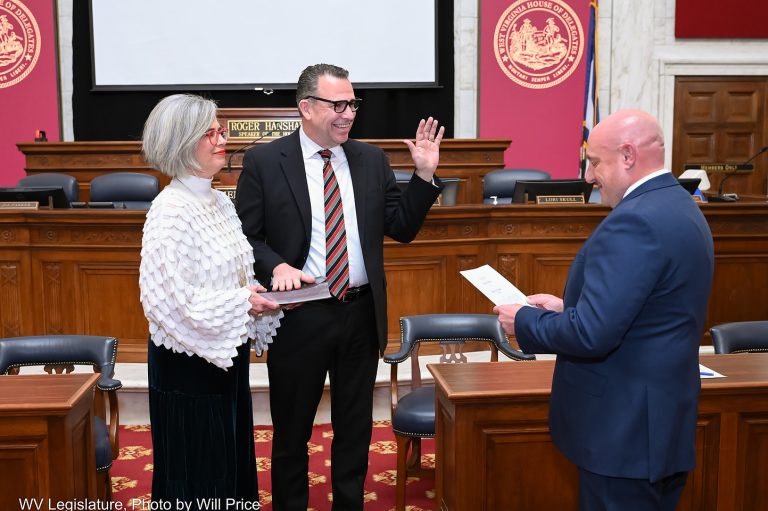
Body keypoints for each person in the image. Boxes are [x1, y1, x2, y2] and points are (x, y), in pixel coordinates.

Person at [236, 63, 445, 510]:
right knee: (291, 433)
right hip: (299, 316)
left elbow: (402, 228)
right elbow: (246, 238)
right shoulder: (265, 161)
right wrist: (276, 266)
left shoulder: (371, 160)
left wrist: (424, 176)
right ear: (306, 107)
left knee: (355, 430)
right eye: (337, 104)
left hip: (360, 315)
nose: (348, 113)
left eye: (352, 103)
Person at [494, 109, 714, 511]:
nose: (589, 177)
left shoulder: (634, 221)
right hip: (660, 423)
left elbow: (592, 335)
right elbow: (650, 307)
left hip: (622, 432)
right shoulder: (681, 206)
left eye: (595, 162)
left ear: (627, 156)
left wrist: (523, 320)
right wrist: (569, 307)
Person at [139, 94, 282, 508]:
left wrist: (251, 294)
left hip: (224, 355)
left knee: (228, 462)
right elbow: (167, 302)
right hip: (187, 367)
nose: (224, 138)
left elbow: (233, 274)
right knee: (197, 470)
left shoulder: (219, 200)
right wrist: (243, 303)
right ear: (183, 143)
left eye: (221, 130)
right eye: (212, 132)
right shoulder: (170, 211)